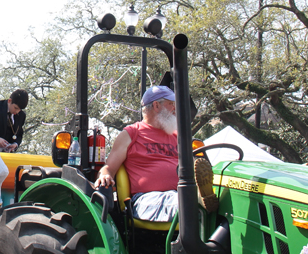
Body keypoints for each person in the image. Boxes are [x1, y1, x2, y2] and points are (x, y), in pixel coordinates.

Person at [92, 85, 216, 222]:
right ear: (156, 106)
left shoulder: (177, 136)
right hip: (146, 200)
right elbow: (108, 167)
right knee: (187, 202)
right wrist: (105, 175)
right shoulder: (131, 134)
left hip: (178, 194)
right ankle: (199, 199)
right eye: (171, 104)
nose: (175, 108)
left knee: (216, 201)